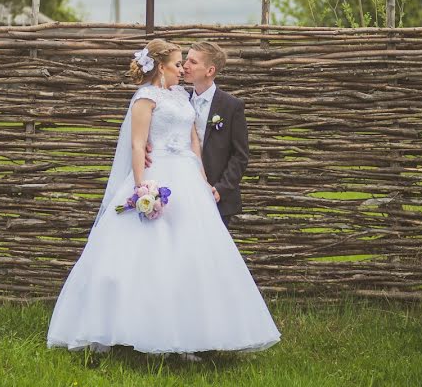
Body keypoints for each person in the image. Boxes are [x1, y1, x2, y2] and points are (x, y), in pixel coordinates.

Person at [46, 39, 280, 355]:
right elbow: (138, 145)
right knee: (147, 255)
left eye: (187, 62)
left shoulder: (181, 95)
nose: (182, 67)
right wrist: (143, 187)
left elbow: (194, 142)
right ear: (161, 66)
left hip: (187, 177)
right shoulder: (145, 98)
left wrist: (202, 181)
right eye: (177, 63)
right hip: (156, 177)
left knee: (193, 255)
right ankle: (132, 328)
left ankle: (194, 334)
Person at [182, 41, 248, 229]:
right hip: (183, 188)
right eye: (186, 60)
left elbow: (240, 156)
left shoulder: (231, 106)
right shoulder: (179, 101)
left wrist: (220, 189)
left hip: (216, 195)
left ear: (210, 71)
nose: (185, 66)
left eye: (193, 62)